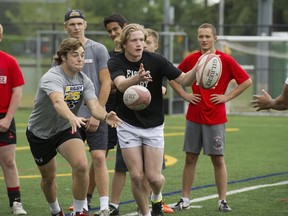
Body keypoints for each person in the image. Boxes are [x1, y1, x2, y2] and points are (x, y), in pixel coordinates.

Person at [107, 23, 199, 216]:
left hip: (153, 125)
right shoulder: (116, 61)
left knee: (154, 178)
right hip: (127, 125)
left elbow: (184, 80)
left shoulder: (157, 61)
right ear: (124, 43)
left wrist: (201, 67)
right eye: (134, 40)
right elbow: (121, 85)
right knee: (137, 176)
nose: (139, 44)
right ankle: (146, 213)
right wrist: (137, 78)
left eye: (142, 40)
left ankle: (156, 197)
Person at [25, 38, 121, 216]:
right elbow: (57, 101)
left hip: (64, 129)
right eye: (75, 55)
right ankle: (55, 211)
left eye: (83, 55)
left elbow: (93, 106)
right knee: (49, 178)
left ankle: (79, 211)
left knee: (81, 165)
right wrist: (71, 116)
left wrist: (106, 116)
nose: (80, 59)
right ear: (63, 57)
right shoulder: (52, 76)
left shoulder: (84, 80)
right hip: (40, 133)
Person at [171, 23, 252, 212]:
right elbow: (173, 77)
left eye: (207, 36)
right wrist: (184, 95)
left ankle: (222, 201)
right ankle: (184, 199)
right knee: (190, 158)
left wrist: (227, 97)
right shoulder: (192, 59)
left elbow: (247, 81)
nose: (204, 39)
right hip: (194, 116)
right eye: (201, 36)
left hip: (215, 117)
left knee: (217, 159)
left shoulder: (226, 60)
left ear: (215, 38)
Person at [63, 9, 111, 216]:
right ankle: (80, 206)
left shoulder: (98, 49)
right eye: (71, 24)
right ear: (66, 27)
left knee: (99, 158)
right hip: (72, 117)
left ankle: (104, 206)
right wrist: (68, 115)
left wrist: (96, 113)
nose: (76, 27)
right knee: (79, 163)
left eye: (79, 23)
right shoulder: (62, 51)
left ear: (85, 25)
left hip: (95, 114)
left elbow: (106, 82)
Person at [102, 13, 128, 216]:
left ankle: (153, 200)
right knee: (100, 155)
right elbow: (106, 84)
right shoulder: (109, 57)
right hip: (110, 111)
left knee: (136, 164)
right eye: (109, 31)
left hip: (132, 115)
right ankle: (89, 200)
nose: (112, 34)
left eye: (115, 29)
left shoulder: (137, 54)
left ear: (124, 27)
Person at [0, 23, 27, 215]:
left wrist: (8, 118)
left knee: (8, 161)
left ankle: (16, 203)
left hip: (4, 118)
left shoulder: (9, 61)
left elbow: (17, 91)